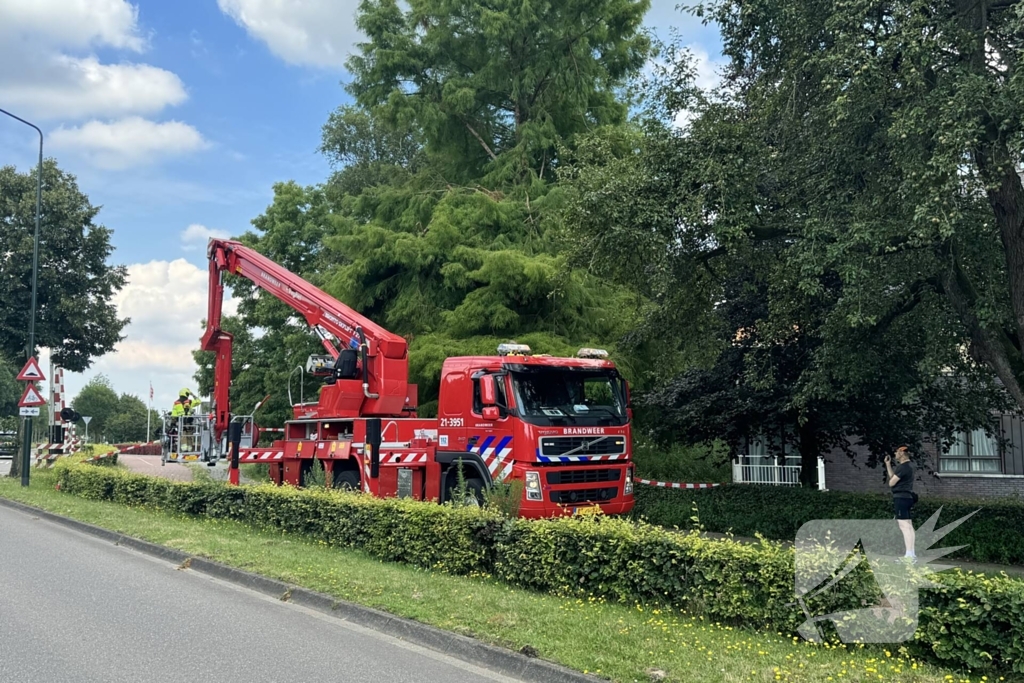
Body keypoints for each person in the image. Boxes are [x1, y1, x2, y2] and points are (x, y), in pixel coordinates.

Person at [885, 445, 917, 560]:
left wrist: (892, 480)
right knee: (909, 526)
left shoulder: (903, 467)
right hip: (908, 497)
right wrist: (888, 465)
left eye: (896, 452)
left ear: (902, 453)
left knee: (904, 526)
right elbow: (894, 477)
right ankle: (912, 554)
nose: (895, 454)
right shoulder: (910, 466)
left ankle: (908, 555)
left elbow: (891, 482)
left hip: (901, 498)